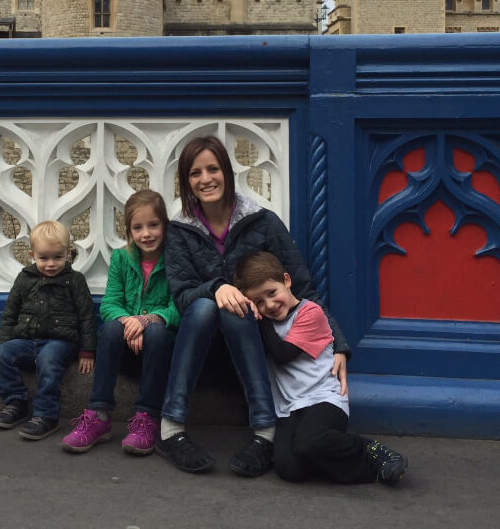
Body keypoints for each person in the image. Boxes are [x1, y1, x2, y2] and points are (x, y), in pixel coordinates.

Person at [155, 134, 351, 476]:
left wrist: (338, 345)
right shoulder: (180, 231)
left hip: (254, 350)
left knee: (240, 309)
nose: (205, 180)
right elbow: (182, 297)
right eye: (195, 173)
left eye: (213, 169)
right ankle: (170, 429)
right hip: (201, 349)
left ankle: (265, 433)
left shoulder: (262, 222)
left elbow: (304, 291)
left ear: (227, 172)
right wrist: (216, 287)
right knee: (203, 307)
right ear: (186, 181)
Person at [235, 251, 408, 484]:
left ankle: (368, 450)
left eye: (272, 293)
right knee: (289, 469)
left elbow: (282, 354)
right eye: (258, 302)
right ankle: (357, 467)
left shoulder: (309, 313)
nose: (269, 305)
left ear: (287, 280)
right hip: (290, 407)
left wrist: (260, 319)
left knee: (310, 443)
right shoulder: (269, 321)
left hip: (324, 400)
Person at [62, 189, 179, 456]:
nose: (146, 234)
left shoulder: (174, 259)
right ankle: (98, 415)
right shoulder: (121, 258)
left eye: (153, 225)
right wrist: (130, 322)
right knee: (112, 326)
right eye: (138, 227)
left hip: (159, 353)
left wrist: (148, 321)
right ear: (129, 231)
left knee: (159, 332)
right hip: (124, 350)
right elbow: (110, 304)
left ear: (165, 225)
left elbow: (179, 307)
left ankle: (147, 418)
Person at [0, 220, 97, 441]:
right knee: (0, 355)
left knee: (48, 360)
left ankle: (46, 415)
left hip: (60, 342)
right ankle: (16, 402)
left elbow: (86, 316)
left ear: (68, 253)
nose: (51, 264)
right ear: (32, 254)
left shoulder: (74, 281)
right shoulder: (25, 279)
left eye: (58, 257)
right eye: (44, 258)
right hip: (27, 340)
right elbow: (11, 311)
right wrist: (5, 342)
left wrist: (87, 351)